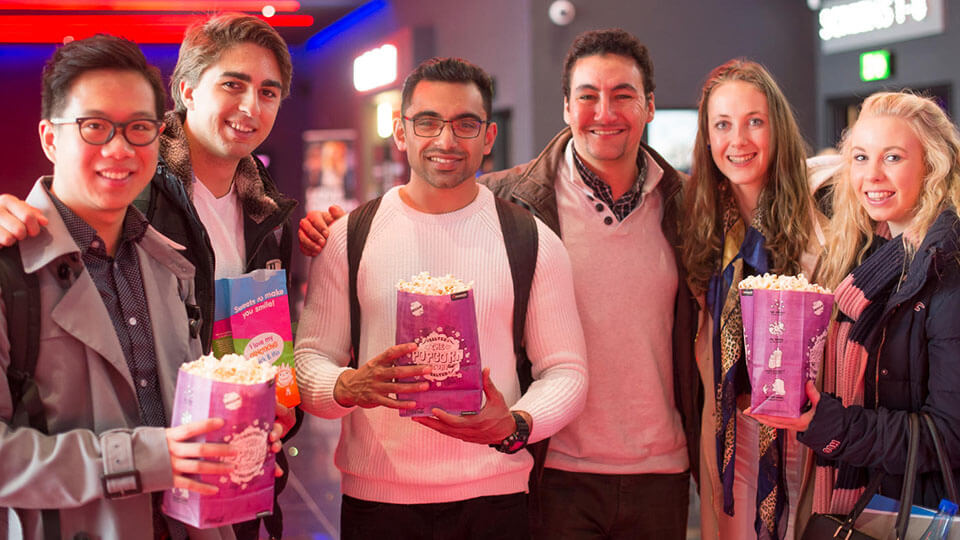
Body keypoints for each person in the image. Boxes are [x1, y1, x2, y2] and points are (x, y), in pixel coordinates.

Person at [0, 14, 310, 538]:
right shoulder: (15, 263)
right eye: (95, 126)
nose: (120, 150)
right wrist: (152, 457)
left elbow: (195, 394)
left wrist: (247, 431)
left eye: (138, 128)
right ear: (50, 139)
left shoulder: (175, 257)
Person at [294, 57, 588, 540]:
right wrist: (349, 386)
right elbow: (310, 360)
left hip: (495, 498)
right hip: (377, 499)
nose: (446, 141)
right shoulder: (351, 237)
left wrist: (515, 424)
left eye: (465, 124)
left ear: (488, 137)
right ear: (401, 132)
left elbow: (567, 370)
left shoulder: (532, 241)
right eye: (428, 121)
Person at [481, 29, 700, 539]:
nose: (605, 112)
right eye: (587, 96)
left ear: (648, 106)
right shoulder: (509, 201)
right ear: (565, 107)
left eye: (623, 95)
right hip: (554, 467)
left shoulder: (691, 205)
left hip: (662, 471)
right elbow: (419, 214)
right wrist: (337, 229)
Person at [751, 91, 960, 525]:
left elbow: (948, 436)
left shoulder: (948, 269)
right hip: (870, 498)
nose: (873, 176)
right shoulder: (867, 257)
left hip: (917, 511)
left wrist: (827, 424)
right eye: (861, 158)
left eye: (894, 157)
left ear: (933, 165)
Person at [681, 58, 823, 540]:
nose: (737, 141)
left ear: (777, 128)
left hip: (809, 435)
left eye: (754, 122)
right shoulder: (702, 226)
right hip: (730, 434)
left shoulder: (824, 216)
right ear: (707, 137)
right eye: (723, 124)